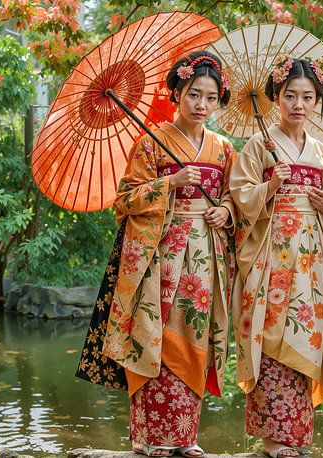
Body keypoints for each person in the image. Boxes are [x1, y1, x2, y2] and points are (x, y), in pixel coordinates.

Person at [94, 50, 236, 457]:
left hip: (204, 255)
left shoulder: (224, 149)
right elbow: (124, 200)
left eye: (211, 97)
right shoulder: (150, 142)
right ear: (177, 93)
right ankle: (149, 437)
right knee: (153, 336)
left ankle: (185, 436)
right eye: (194, 94)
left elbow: (234, 200)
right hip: (158, 255)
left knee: (195, 335)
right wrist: (171, 182)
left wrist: (224, 209)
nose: (202, 105)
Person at [229, 55, 323, 458]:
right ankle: (273, 439)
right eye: (290, 95)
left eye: (307, 97)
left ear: (316, 101)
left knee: (305, 335)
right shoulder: (259, 145)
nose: (298, 104)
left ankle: (296, 437)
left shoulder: (322, 152)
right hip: (271, 252)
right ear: (276, 97)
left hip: (311, 257)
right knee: (271, 333)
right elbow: (240, 198)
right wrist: (270, 186)